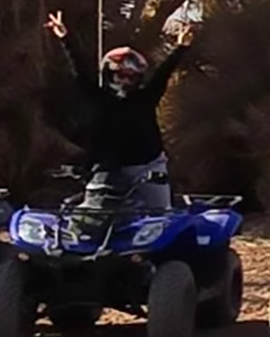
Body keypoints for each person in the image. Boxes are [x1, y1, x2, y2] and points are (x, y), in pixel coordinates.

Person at [46, 11, 197, 212]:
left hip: (147, 166)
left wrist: (181, 48)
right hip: (106, 169)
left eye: (131, 77)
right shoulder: (97, 97)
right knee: (97, 214)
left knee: (159, 212)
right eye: (120, 75)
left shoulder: (146, 97)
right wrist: (65, 37)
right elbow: (79, 69)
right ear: (109, 74)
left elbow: (163, 74)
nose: (124, 81)